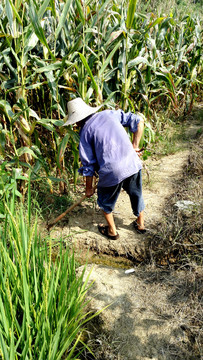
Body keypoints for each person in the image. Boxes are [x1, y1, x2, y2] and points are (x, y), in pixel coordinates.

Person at [63, 97, 146, 240]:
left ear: (76, 120)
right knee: (136, 194)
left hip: (112, 170)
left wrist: (88, 188)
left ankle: (112, 231)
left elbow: (88, 165)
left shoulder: (85, 132)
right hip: (132, 163)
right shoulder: (109, 114)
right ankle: (140, 224)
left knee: (105, 201)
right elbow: (138, 121)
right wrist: (135, 146)